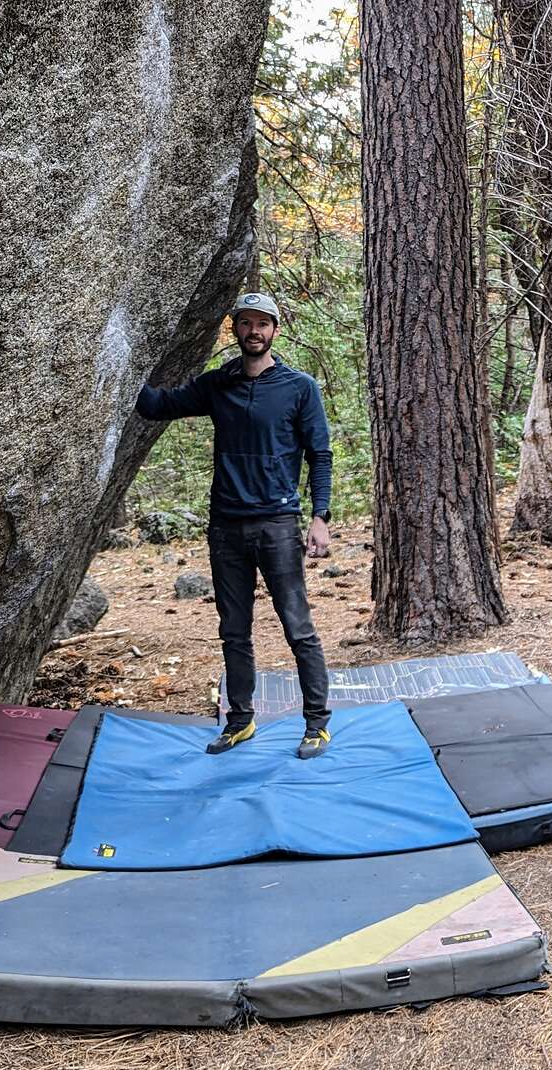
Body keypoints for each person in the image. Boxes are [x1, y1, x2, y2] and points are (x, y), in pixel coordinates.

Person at [135, 292, 336, 760]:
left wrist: (320, 516)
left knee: (297, 628)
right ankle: (241, 721)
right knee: (234, 630)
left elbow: (319, 455)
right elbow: (156, 406)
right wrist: (124, 365)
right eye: (245, 323)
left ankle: (317, 724)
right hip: (226, 527)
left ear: (275, 330)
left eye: (262, 324)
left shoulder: (299, 387)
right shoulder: (217, 384)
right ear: (235, 330)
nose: (254, 332)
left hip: (277, 524)